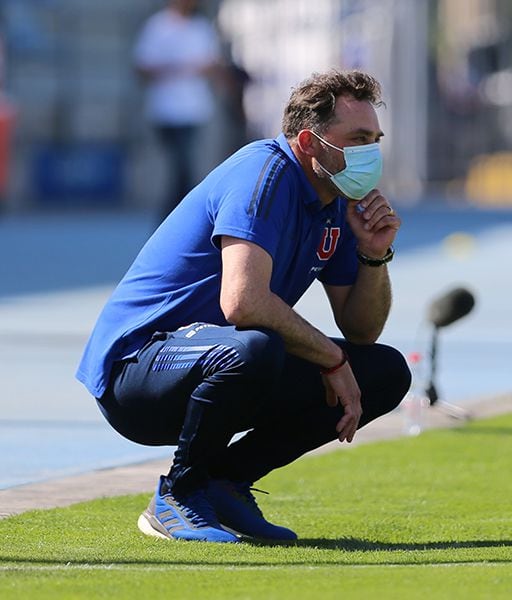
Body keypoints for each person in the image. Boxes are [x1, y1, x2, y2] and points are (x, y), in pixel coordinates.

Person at [76, 70, 412, 543]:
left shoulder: (334, 200)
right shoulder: (264, 174)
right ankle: (178, 494)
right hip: (136, 369)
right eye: (357, 139)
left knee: (384, 371)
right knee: (255, 348)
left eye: (374, 139)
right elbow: (243, 303)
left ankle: (223, 484)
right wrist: (330, 358)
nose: (370, 153)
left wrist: (374, 253)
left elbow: (361, 331)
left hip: (217, 363)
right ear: (309, 143)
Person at [133, 0, 221, 219]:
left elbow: (211, 64)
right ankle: (179, 216)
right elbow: (142, 67)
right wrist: (174, 68)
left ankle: (175, 217)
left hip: (194, 109)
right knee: (181, 166)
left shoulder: (201, 27)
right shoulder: (157, 26)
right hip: (166, 110)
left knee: (184, 166)